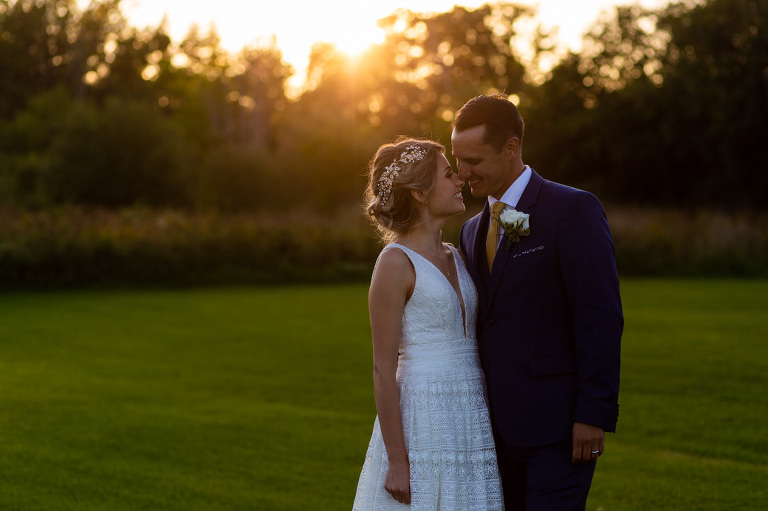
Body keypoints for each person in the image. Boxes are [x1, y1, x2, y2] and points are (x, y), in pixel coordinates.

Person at [452, 94, 623, 511]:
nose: (462, 173)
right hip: (490, 433)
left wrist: (593, 414)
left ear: (511, 148)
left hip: (559, 428)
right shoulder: (470, 230)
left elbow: (599, 316)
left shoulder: (572, 209)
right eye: (458, 160)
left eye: (473, 160)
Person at [352, 137, 504, 510]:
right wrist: (398, 461)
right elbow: (382, 369)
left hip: (470, 409)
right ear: (420, 193)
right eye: (449, 174)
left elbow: (527, 230)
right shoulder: (394, 262)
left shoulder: (459, 252)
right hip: (423, 414)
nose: (460, 181)